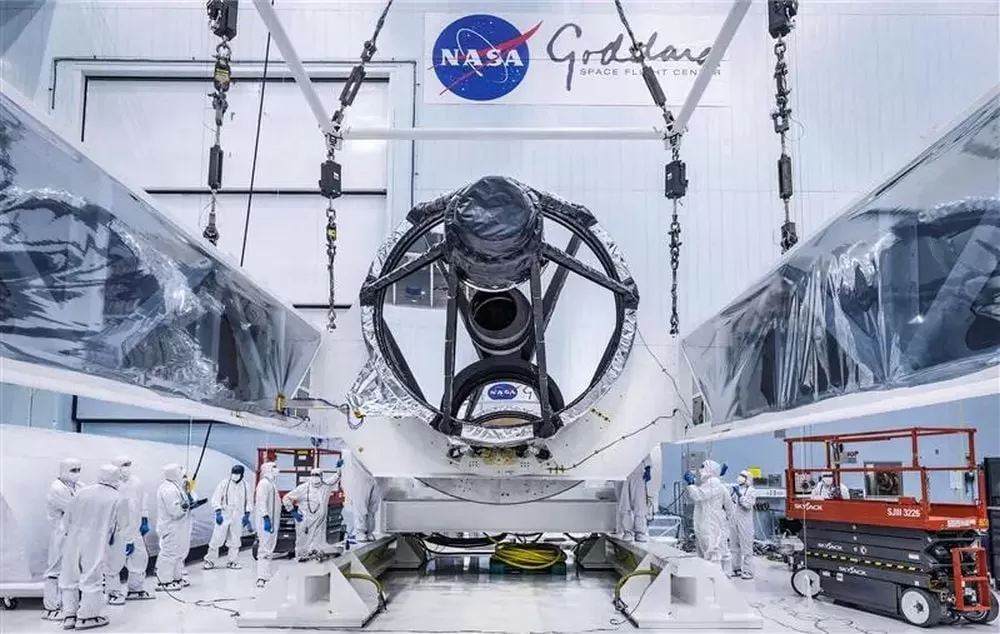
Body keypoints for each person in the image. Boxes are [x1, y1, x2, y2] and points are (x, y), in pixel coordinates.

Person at [59, 464, 124, 631]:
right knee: (91, 576)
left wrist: (68, 533)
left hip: (73, 537)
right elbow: (121, 526)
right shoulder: (117, 497)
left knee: (70, 575)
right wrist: (124, 542)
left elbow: (67, 516)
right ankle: (87, 616)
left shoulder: (83, 491)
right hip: (97, 540)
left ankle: (69, 615)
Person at [105, 456, 153, 604]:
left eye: (128, 465)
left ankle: (135, 589)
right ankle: (113, 592)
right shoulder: (111, 484)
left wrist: (144, 518)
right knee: (113, 562)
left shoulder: (136, 482)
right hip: (117, 531)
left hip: (134, 527)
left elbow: (142, 500)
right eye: (124, 465)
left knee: (139, 557)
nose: (126, 468)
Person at [42, 458, 82, 621]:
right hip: (60, 533)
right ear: (63, 470)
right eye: (73, 470)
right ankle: (51, 607)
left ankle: (69, 605)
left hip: (73, 533)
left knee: (72, 570)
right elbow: (75, 508)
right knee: (54, 570)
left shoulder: (79, 486)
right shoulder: (56, 489)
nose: (77, 473)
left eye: (79, 469)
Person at [684, 459, 734, 571]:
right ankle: (722, 576)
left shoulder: (713, 483)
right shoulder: (710, 483)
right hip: (709, 521)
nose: (700, 470)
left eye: (703, 467)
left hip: (710, 522)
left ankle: (715, 580)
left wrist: (691, 484)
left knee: (712, 551)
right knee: (713, 550)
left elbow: (698, 495)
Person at [282, 466, 341, 560]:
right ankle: (301, 558)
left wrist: (339, 467)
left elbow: (336, 477)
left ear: (322, 476)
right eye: (313, 475)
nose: (315, 477)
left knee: (318, 542)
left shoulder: (325, 486)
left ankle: (315, 556)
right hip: (305, 521)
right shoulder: (303, 488)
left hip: (320, 522)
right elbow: (286, 498)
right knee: (303, 541)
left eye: (317, 475)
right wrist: (292, 511)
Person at [203, 465, 253, 570]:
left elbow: (249, 501)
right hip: (224, 515)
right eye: (233, 473)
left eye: (237, 473)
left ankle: (232, 561)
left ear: (242, 474)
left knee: (235, 539)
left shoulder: (245, 486)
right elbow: (216, 498)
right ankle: (210, 560)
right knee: (217, 538)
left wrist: (247, 515)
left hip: (238, 516)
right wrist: (218, 512)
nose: (234, 475)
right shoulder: (224, 483)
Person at [155, 464, 194, 591]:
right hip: (171, 527)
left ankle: (176, 577)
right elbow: (174, 510)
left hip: (179, 526)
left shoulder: (177, 486)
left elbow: (187, 501)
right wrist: (184, 506)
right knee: (169, 554)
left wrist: (189, 494)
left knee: (178, 553)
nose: (183, 475)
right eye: (180, 472)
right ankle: (164, 581)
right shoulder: (168, 489)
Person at [343, 453, 382, 542]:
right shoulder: (356, 443)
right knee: (360, 505)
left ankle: (369, 532)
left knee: (373, 507)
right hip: (361, 475)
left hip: (375, 475)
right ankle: (360, 532)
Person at [254, 461, 281, 588]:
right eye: (274, 467)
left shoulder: (272, 484)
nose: (277, 469)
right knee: (264, 550)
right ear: (268, 469)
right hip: (266, 522)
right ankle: (261, 578)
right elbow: (261, 503)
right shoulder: (263, 484)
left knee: (269, 550)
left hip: (272, 522)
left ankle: (266, 576)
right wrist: (265, 517)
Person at [729, 470, 758, 579]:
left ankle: (748, 571)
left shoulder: (751, 491)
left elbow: (748, 505)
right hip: (734, 520)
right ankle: (736, 568)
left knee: (746, 547)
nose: (740, 478)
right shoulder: (735, 489)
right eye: (740, 475)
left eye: (743, 476)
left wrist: (740, 496)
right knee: (734, 546)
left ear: (748, 479)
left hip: (745, 522)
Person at [616, 455, 652, 542]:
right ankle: (627, 531)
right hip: (620, 472)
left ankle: (640, 532)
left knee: (640, 503)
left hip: (638, 472)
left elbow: (645, 450)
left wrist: (648, 468)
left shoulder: (640, 441)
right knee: (624, 503)